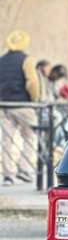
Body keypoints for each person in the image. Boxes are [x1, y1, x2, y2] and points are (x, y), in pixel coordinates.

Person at [0, 30, 40, 185]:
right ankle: (24, 169)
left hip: (4, 106)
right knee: (30, 136)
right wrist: (35, 100)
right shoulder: (27, 60)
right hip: (23, 105)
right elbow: (32, 82)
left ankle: (8, 175)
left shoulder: (1, 60)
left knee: (7, 140)